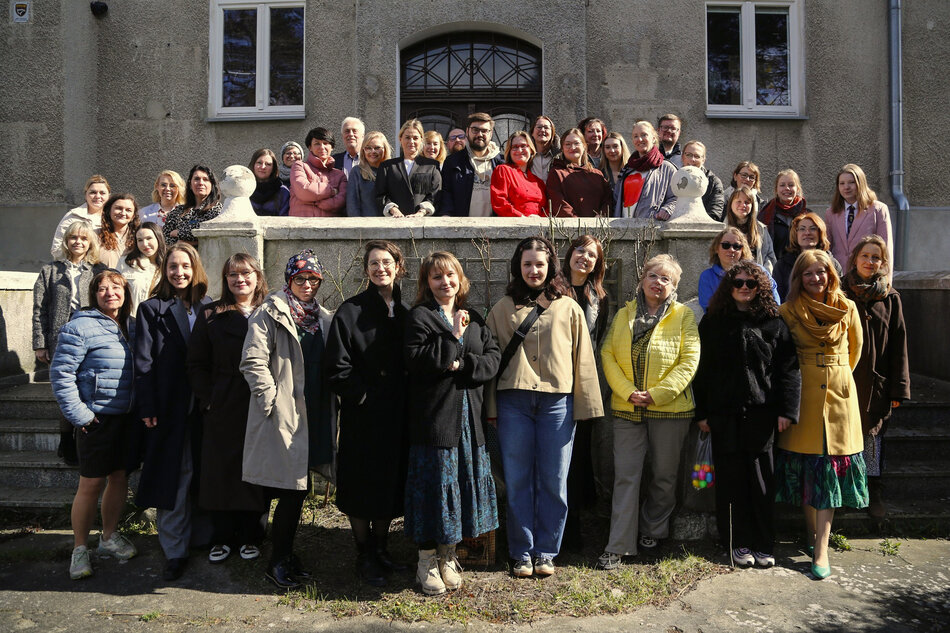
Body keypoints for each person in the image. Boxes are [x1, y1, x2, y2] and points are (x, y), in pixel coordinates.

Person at [486, 236, 603, 578]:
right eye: (527, 264)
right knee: (518, 479)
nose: (534, 270)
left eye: (540, 264)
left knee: (554, 479)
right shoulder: (502, 307)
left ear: (551, 266)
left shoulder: (568, 307)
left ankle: (547, 551)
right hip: (514, 402)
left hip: (557, 403)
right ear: (518, 267)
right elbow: (492, 363)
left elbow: (583, 358)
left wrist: (585, 406)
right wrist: (490, 407)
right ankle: (521, 551)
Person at [404, 251, 500, 596]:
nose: (445, 282)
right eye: (436, 277)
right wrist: (454, 340)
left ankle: (448, 556)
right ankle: (426, 559)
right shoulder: (420, 317)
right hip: (435, 421)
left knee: (460, 488)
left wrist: (460, 365)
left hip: (469, 420)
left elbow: (492, 360)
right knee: (435, 490)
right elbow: (418, 362)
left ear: (460, 279)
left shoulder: (474, 316)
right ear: (426, 284)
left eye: (450, 276)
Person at [694, 261, 800, 569]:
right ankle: (736, 542)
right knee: (730, 483)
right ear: (728, 287)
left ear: (760, 289)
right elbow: (703, 372)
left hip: (762, 416)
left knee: (762, 482)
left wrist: (786, 411)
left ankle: (764, 543)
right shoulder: (713, 322)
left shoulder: (774, 323)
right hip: (723, 416)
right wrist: (702, 412)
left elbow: (788, 371)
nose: (743, 287)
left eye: (750, 284)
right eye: (737, 282)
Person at [595, 255, 699, 570]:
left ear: (674, 286)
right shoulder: (624, 315)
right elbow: (608, 353)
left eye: (666, 279)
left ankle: (653, 529)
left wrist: (656, 395)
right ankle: (618, 545)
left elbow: (689, 360)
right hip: (627, 409)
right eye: (653, 275)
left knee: (665, 476)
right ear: (642, 279)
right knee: (627, 476)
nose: (658, 282)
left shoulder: (684, 317)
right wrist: (628, 392)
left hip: (670, 409)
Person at [241, 249, 334, 589]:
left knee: (297, 487)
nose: (307, 284)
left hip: (313, 413)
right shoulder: (270, 311)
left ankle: (282, 553)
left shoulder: (322, 317)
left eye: (313, 279)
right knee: (292, 490)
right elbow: (252, 361)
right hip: (283, 414)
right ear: (289, 279)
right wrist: (271, 403)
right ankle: (277, 560)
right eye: (300, 278)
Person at [776, 249, 866, 580]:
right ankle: (813, 535)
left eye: (822, 272)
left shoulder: (848, 307)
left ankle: (821, 550)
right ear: (798, 278)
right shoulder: (787, 312)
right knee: (807, 471)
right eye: (809, 273)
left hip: (840, 399)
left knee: (828, 474)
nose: (817, 278)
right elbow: (782, 357)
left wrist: (837, 376)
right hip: (803, 398)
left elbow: (855, 351)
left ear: (832, 274)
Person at [325, 240, 409, 587]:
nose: (380, 269)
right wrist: (361, 396)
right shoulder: (350, 311)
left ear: (398, 267)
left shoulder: (408, 311)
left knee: (389, 482)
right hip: (363, 416)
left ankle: (381, 546)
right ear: (366, 271)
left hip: (397, 415)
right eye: (373, 264)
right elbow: (337, 366)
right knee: (361, 483)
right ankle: (363, 552)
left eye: (386, 262)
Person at [51, 270, 138, 580]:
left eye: (115, 287)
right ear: (94, 295)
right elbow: (61, 375)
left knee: (119, 478)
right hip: (96, 420)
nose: (109, 292)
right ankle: (79, 548)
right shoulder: (79, 327)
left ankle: (108, 537)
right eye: (101, 288)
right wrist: (81, 415)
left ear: (126, 292)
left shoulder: (131, 326)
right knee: (90, 485)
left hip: (126, 419)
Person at [134, 243, 213, 581]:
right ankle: (174, 550)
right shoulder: (152, 308)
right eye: (172, 267)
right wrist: (147, 405)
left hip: (206, 406)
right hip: (170, 405)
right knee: (176, 476)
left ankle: (203, 538)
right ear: (164, 271)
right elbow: (144, 361)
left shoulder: (210, 307)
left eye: (185, 266)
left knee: (204, 473)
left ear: (195, 268)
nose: (179, 272)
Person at [187, 254, 269, 566]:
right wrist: (208, 399)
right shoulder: (211, 314)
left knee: (255, 470)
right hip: (223, 404)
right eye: (233, 275)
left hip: (261, 402)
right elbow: (196, 363)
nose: (240, 280)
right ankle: (220, 537)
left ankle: (251, 535)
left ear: (257, 276)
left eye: (246, 273)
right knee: (220, 473)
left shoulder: (270, 311)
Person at [842, 235, 910, 519]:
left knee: (872, 440)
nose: (870, 262)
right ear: (855, 257)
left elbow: (898, 343)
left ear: (883, 263)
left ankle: (872, 492)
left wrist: (898, 389)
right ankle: (845, 492)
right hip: (844, 380)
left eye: (876, 258)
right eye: (865, 256)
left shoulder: (890, 297)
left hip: (876, 383)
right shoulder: (840, 290)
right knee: (843, 439)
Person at [34, 220, 106, 466]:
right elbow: (40, 309)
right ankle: (66, 439)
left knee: (85, 389)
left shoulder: (97, 270)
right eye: (74, 238)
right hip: (59, 338)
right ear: (67, 241)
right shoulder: (50, 271)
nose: (78, 242)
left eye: (84, 239)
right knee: (65, 391)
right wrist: (40, 343)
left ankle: (83, 438)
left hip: (89, 336)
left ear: (90, 243)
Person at [561, 235, 610, 551]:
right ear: (569, 254)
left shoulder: (599, 298)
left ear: (597, 264)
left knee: (579, 456)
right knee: (557, 457)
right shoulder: (551, 289)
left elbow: (598, 338)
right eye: (580, 250)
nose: (584, 258)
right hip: (554, 381)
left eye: (591, 255)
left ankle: (574, 525)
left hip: (584, 381)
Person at [826, 164, 894, 276]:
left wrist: (886, 283)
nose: (846, 187)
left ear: (860, 183)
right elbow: (827, 247)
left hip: (867, 277)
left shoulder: (878, 209)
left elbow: (886, 250)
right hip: (839, 277)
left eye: (851, 182)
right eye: (842, 183)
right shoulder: (831, 213)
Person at [698, 228, 780, 311]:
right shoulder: (707, 277)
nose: (731, 250)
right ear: (716, 248)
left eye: (736, 246)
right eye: (726, 245)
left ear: (743, 250)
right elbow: (709, 309)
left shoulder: (759, 271)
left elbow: (773, 302)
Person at [440, 112, 503, 217]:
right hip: (461, 227)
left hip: (495, 228)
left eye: (484, 131)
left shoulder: (501, 163)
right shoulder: (453, 162)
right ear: (467, 131)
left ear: (491, 134)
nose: (479, 134)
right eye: (475, 130)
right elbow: (446, 194)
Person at [375, 119, 441, 217]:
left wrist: (421, 212)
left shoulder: (432, 166)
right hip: (395, 222)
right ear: (400, 139)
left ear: (421, 140)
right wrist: (393, 210)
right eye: (407, 137)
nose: (411, 141)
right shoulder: (387, 167)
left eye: (415, 138)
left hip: (423, 223)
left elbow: (435, 194)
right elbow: (380, 195)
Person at [614, 121, 677, 220]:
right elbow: (616, 199)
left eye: (644, 135)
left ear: (653, 138)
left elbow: (677, 197)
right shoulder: (628, 168)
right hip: (624, 228)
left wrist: (667, 209)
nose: (639, 139)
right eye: (635, 136)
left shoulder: (667, 168)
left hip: (651, 228)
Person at [773, 212, 842, 301]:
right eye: (802, 229)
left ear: (820, 233)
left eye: (813, 229)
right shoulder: (783, 265)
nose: (807, 233)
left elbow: (839, 293)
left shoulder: (833, 263)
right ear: (796, 233)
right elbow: (778, 298)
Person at [545, 128, 613, 217]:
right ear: (562, 148)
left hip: (599, 227)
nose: (572, 148)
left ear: (584, 145)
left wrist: (602, 215)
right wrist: (578, 223)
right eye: (568, 144)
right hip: (571, 228)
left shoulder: (597, 174)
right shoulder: (557, 173)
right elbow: (558, 203)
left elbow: (608, 199)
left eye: (576, 143)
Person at [289, 127, 347, 217]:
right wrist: (332, 191)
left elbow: (341, 201)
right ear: (310, 147)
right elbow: (303, 190)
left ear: (332, 147)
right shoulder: (299, 166)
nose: (322, 147)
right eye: (317, 144)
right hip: (301, 226)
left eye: (325, 143)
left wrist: (319, 201)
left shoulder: (340, 175)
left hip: (330, 227)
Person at [51, 175, 110, 258]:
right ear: (86, 195)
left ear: (109, 196)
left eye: (102, 193)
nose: (97, 196)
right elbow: (57, 249)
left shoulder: (113, 218)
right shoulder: (73, 216)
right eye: (93, 192)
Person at [490, 131, 546, 217]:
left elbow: (547, 207)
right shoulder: (503, 170)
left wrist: (541, 220)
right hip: (514, 225)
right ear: (509, 151)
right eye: (515, 147)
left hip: (539, 226)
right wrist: (521, 218)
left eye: (523, 146)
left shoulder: (538, 182)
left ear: (531, 149)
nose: (519, 150)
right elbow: (499, 201)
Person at [163, 165, 222, 246]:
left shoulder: (218, 211)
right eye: (196, 179)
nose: (201, 183)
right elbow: (166, 238)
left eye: (205, 179)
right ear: (190, 184)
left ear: (212, 185)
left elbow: (208, 234)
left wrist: (179, 233)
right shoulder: (177, 212)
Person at [117, 222, 166, 313]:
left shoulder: (168, 264)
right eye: (140, 240)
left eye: (149, 238)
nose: (145, 244)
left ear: (158, 238)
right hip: (131, 319)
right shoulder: (126, 262)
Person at [724, 186, 776, 273]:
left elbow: (769, 256)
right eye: (738, 201)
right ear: (731, 204)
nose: (743, 205)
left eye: (747, 202)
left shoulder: (760, 228)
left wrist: (765, 275)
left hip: (755, 278)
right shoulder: (722, 229)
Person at [760, 169, 810, 257]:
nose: (786, 188)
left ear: (797, 188)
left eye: (791, 185)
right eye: (782, 185)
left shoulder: (808, 215)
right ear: (776, 189)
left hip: (802, 265)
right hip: (775, 267)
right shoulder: (765, 215)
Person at [346, 132, 393, 217]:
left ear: (385, 149)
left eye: (377, 148)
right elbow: (352, 206)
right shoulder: (357, 172)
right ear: (363, 150)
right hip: (366, 226)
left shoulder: (393, 170)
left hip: (391, 226)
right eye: (368, 148)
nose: (372, 151)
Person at [681, 141, 725, 221]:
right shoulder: (675, 177)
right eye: (688, 155)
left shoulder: (714, 182)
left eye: (697, 156)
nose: (692, 159)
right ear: (682, 157)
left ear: (703, 160)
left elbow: (715, 213)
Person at [98, 194, 141, 268]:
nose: (123, 213)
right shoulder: (95, 235)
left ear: (133, 216)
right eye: (118, 208)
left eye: (128, 210)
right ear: (109, 211)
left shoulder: (139, 236)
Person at [248, 148, 290, 216]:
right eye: (259, 163)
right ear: (253, 164)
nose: (263, 167)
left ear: (273, 168)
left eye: (268, 164)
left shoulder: (283, 192)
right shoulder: (244, 190)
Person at [530, 115, 560, 182]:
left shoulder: (560, 156)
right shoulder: (526, 155)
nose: (542, 130)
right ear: (532, 132)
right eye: (539, 127)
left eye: (546, 127)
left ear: (552, 133)